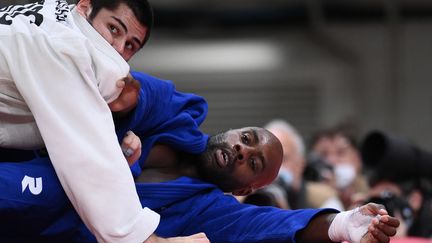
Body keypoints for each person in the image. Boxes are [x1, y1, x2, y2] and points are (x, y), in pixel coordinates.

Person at [0, 0, 207, 242]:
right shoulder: (65, 48)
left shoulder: (52, 16)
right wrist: (146, 239)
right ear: (85, 5)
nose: (117, 48)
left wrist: (111, 133)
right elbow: (86, 157)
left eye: (130, 45)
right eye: (114, 29)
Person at [0, 125, 399, 242]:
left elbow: (276, 224)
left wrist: (343, 224)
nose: (242, 150)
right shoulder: (169, 124)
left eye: (253, 161)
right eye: (245, 138)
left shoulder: (213, 211)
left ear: (244, 189)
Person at [243, 119, 344, 210]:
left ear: (301, 163)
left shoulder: (323, 199)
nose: (275, 169)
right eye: (267, 161)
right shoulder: (245, 198)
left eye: (284, 159)